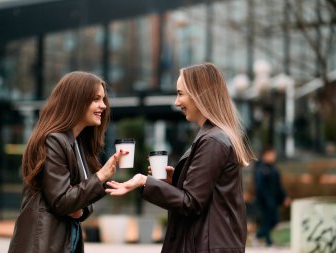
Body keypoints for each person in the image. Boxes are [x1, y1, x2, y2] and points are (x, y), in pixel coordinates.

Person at [106, 63, 255, 253]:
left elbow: (191, 203)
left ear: (200, 94)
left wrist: (144, 181)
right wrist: (178, 179)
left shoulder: (212, 140)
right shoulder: (213, 136)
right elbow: (206, 193)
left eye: (180, 93)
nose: (177, 102)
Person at [8, 71, 126, 253]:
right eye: (96, 99)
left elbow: (79, 203)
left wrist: (80, 206)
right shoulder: (54, 140)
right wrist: (101, 176)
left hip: (64, 241)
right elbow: (62, 201)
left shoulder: (77, 143)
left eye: (103, 99)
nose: (103, 105)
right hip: (44, 244)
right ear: (76, 100)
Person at [253, 147, 291, 246]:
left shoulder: (274, 168)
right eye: (271, 154)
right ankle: (261, 237)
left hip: (273, 200)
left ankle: (263, 238)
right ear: (265, 155)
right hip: (264, 201)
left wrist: (284, 197)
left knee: (274, 220)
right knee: (267, 220)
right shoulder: (261, 168)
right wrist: (268, 200)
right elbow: (261, 187)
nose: (274, 156)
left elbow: (278, 186)